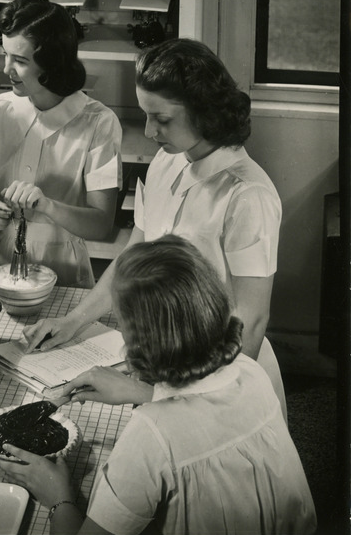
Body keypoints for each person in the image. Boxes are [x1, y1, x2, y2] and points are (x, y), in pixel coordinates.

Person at [25, 38, 287, 418]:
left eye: (161, 119)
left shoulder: (248, 196)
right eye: (146, 115)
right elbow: (135, 255)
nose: (149, 132)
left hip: (226, 381)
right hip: (168, 362)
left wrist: (199, 406)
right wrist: (74, 321)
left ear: (204, 112)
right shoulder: (166, 164)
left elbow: (252, 320)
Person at [0, 236, 316, 535]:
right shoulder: (251, 370)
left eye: (120, 323)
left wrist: (58, 497)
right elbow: (207, 418)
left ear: (141, 344)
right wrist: (145, 393)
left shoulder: (149, 436)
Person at [0, 0, 121, 287]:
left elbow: (101, 225)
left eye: (20, 60)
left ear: (52, 62)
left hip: (62, 271)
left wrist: (48, 206)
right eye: (5, 55)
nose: (6, 69)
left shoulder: (98, 122)